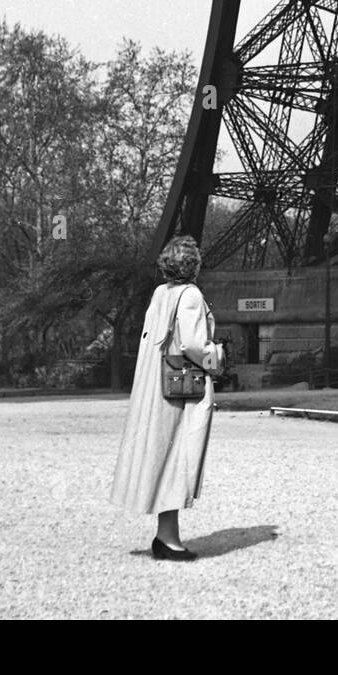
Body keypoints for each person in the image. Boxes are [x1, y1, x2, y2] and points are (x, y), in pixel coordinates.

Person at [110, 235, 224, 560]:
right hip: (178, 392)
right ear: (194, 265)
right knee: (178, 459)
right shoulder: (191, 296)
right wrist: (218, 355)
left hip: (155, 387)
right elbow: (192, 345)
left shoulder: (161, 294)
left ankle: (167, 535)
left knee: (164, 458)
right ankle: (168, 539)